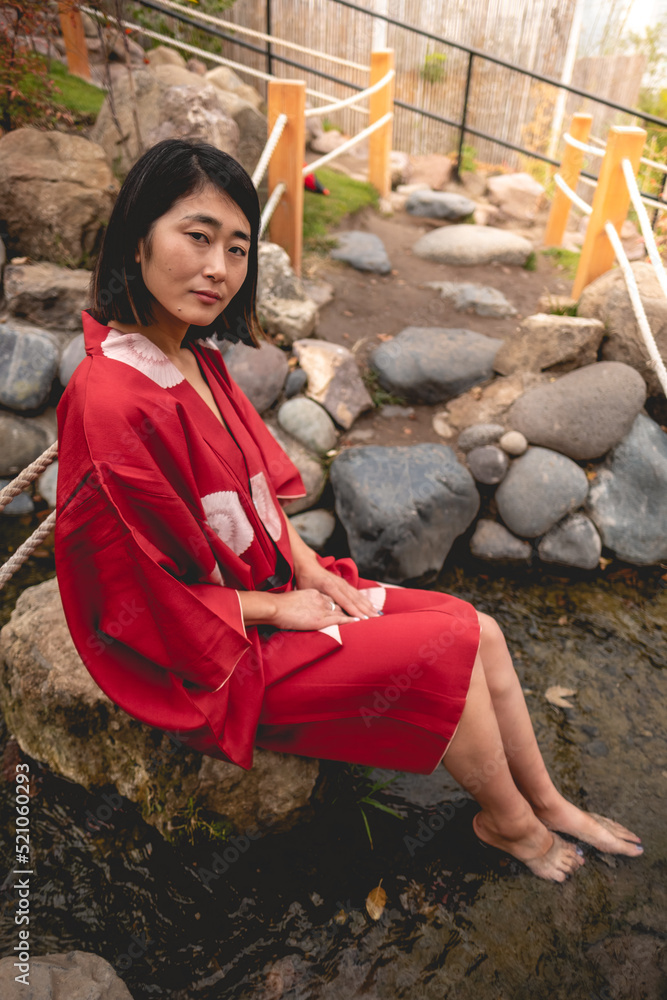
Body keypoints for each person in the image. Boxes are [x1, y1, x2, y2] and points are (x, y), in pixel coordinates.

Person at [55, 139, 642, 882]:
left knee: (482, 630)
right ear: (138, 237)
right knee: (444, 658)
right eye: (197, 237)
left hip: (268, 593)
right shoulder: (109, 397)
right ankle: (512, 826)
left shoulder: (195, 358)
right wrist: (277, 612)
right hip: (213, 653)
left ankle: (547, 801)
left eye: (237, 249)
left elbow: (259, 499)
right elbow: (127, 598)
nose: (219, 269)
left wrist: (307, 571)